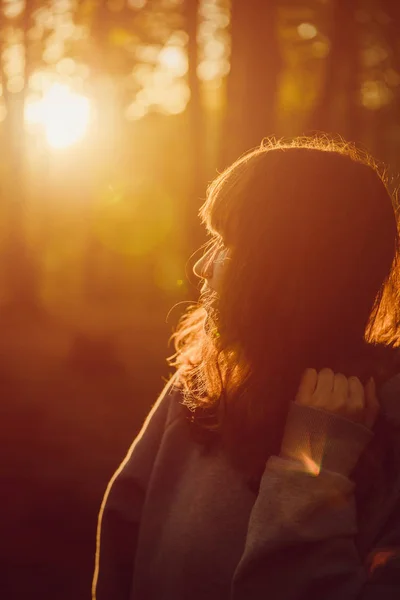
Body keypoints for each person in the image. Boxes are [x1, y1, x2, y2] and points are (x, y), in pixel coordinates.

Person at [92, 137, 400, 600]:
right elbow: (123, 532)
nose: (200, 266)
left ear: (291, 268)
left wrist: (310, 469)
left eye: (226, 242)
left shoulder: (388, 422)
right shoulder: (202, 379)